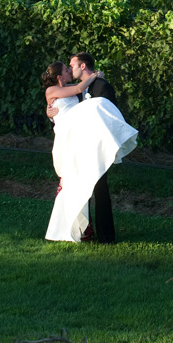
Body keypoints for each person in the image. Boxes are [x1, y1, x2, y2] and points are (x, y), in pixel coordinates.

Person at [41, 59, 137, 243]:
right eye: (66, 70)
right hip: (66, 134)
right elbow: (77, 91)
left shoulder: (74, 86)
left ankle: (87, 229)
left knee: (85, 181)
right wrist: (94, 75)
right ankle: (73, 227)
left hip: (77, 134)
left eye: (71, 67)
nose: (70, 70)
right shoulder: (52, 90)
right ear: (59, 77)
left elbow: (79, 93)